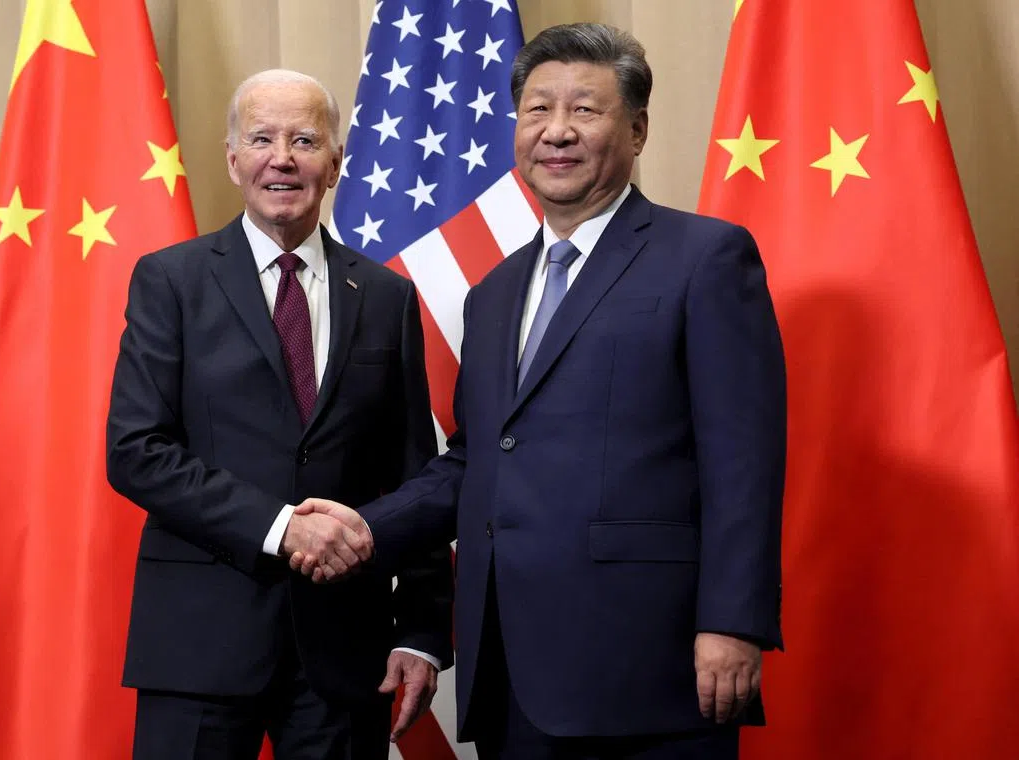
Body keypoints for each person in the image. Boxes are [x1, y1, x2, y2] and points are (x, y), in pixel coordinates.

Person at [292, 24, 787, 760]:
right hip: (511, 672)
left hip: (648, 666)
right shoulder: (494, 293)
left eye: (585, 110)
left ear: (638, 128)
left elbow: (743, 459)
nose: (556, 132)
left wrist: (734, 622)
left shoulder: (705, 259)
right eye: (536, 110)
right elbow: (475, 459)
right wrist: (366, 528)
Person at [105, 69, 453, 759]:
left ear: (336, 160)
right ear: (233, 159)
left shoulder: (386, 297)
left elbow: (416, 479)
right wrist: (279, 529)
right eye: (261, 138)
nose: (282, 158)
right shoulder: (170, 280)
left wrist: (420, 630)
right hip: (200, 644)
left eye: (304, 139)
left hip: (345, 649)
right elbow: (136, 450)